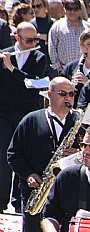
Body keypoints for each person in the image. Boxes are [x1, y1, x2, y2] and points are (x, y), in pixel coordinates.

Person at [7, 77, 80, 232]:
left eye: (71, 93)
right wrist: (28, 175)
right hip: (36, 195)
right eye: (63, 93)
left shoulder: (78, 124)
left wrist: (79, 153)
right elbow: (13, 154)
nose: (68, 98)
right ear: (49, 95)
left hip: (67, 196)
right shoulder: (31, 120)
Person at [0, 22, 49, 215]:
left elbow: (33, 84)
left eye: (35, 40)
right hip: (4, 112)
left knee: (23, 155)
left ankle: (19, 199)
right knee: (3, 155)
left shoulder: (39, 57)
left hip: (27, 113)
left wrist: (12, 69)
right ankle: (1, 200)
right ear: (17, 38)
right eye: (28, 40)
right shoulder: (6, 54)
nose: (32, 44)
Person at [61, 28, 90, 106]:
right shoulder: (71, 67)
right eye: (82, 45)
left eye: (89, 44)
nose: (85, 48)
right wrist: (69, 88)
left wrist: (88, 83)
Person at [48, 0, 90, 72]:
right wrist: (58, 67)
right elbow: (52, 48)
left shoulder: (88, 27)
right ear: (64, 9)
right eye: (69, 9)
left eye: (75, 9)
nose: (72, 12)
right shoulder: (57, 27)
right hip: (63, 69)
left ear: (80, 10)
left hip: (84, 69)